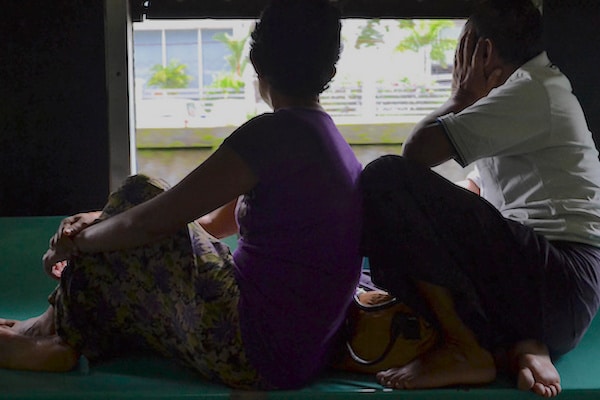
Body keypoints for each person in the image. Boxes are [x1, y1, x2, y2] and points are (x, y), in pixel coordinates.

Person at [0, 0, 363, 390]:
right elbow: (205, 225)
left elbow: (150, 219)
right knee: (132, 217)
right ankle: (53, 328)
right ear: (329, 71)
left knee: (141, 189)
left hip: (249, 346)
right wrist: (96, 222)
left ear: (259, 66)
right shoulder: (333, 146)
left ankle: (50, 336)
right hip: (295, 359)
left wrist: (78, 242)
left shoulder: (273, 135)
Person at [360, 0, 600, 397]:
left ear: (483, 51)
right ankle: (522, 346)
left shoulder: (530, 90)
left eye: (464, 51)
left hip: (561, 281)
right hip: (559, 298)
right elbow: (478, 188)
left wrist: (461, 96)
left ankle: (464, 346)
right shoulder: (532, 91)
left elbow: (414, 155)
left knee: (383, 177)